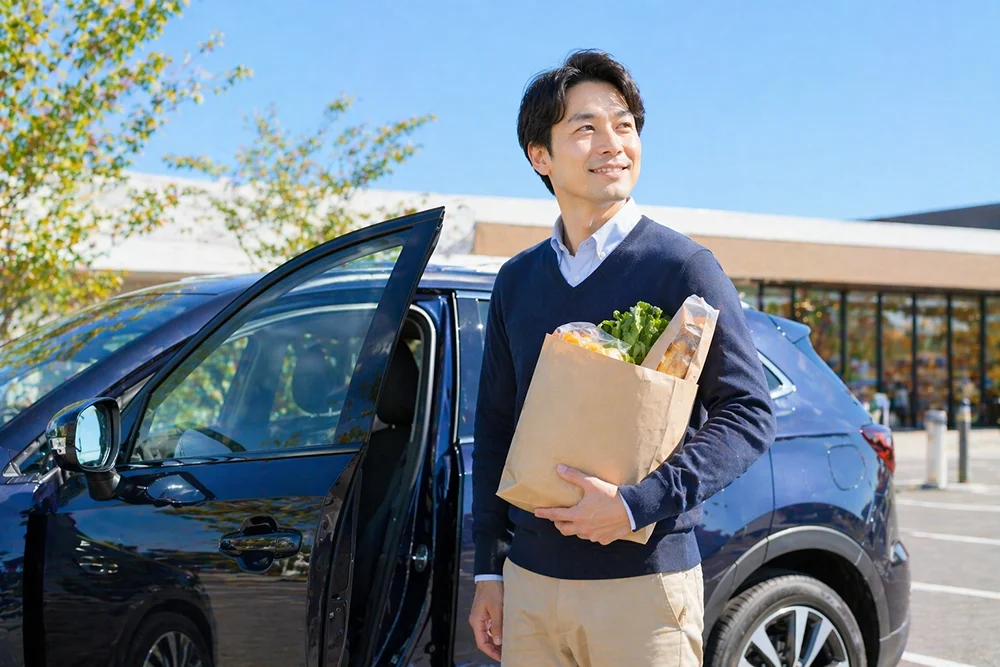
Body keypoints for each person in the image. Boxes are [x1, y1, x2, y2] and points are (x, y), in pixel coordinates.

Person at [468, 49, 778, 666]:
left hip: (643, 589)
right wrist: (489, 572)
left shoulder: (683, 268)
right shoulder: (517, 280)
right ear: (541, 157)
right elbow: (496, 426)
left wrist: (637, 504)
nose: (613, 143)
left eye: (624, 125)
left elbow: (748, 413)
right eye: (585, 128)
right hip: (532, 585)